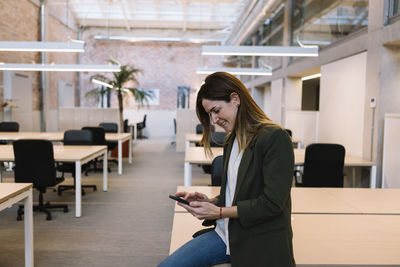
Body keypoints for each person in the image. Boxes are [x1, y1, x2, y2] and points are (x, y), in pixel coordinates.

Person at [159, 72, 295, 267]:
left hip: (258, 239)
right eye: (209, 114)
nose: (214, 120)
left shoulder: (274, 137)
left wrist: (219, 212)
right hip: (225, 234)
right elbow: (233, 194)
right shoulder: (232, 140)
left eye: (216, 110)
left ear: (235, 99)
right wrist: (210, 202)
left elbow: (272, 204)